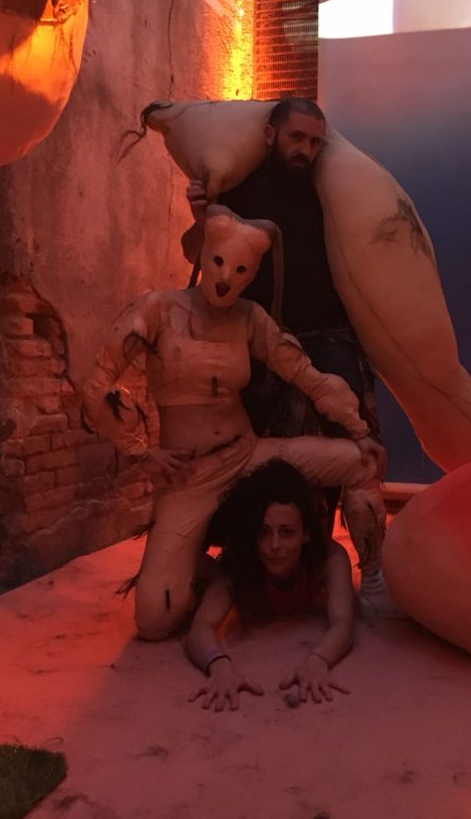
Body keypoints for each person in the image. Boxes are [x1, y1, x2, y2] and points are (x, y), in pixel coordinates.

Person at [82, 205, 393, 642]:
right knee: (154, 621)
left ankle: (374, 577)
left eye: (241, 269)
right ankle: (223, 573)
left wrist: (360, 431)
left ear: (252, 275)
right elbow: (98, 384)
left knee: (361, 462)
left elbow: (306, 375)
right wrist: (141, 452)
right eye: (219, 261)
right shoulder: (156, 309)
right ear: (203, 255)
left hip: (248, 454)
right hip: (188, 476)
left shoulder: (249, 318)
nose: (227, 277)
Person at [182, 97, 386, 527]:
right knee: (263, 452)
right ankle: (265, 548)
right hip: (262, 340)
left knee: (355, 446)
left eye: (314, 142)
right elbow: (194, 253)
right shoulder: (239, 192)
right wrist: (202, 218)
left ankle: (325, 547)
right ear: (270, 135)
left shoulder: (328, 193)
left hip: (329, 334)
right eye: (296, 138)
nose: (304, 150)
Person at [185, 459, 355, 711]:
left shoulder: (330, 558)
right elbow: (201, 627)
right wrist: (219, 665)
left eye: (287, 532)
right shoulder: (238, 563)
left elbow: (343, 622)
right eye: (264, 532)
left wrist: (318, 660)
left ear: (306, 534)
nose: (275, 545)